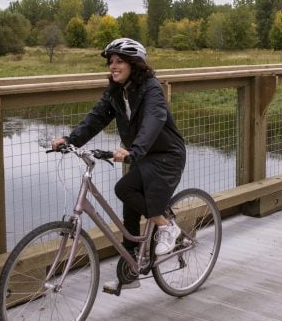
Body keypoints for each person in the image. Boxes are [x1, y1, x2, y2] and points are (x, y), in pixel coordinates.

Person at [52, 38, 186, 293]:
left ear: (134, 65)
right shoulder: (116, 91)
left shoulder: (151, 89)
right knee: (129, 212)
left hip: (165, 155)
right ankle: (130, 273)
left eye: (119, 62)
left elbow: (153, 121)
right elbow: (97, 117)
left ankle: (167, 226)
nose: (113, 66)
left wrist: (135, 151)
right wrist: (70, 140)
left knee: (124, 189)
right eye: (111, 62)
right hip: (140, 155)